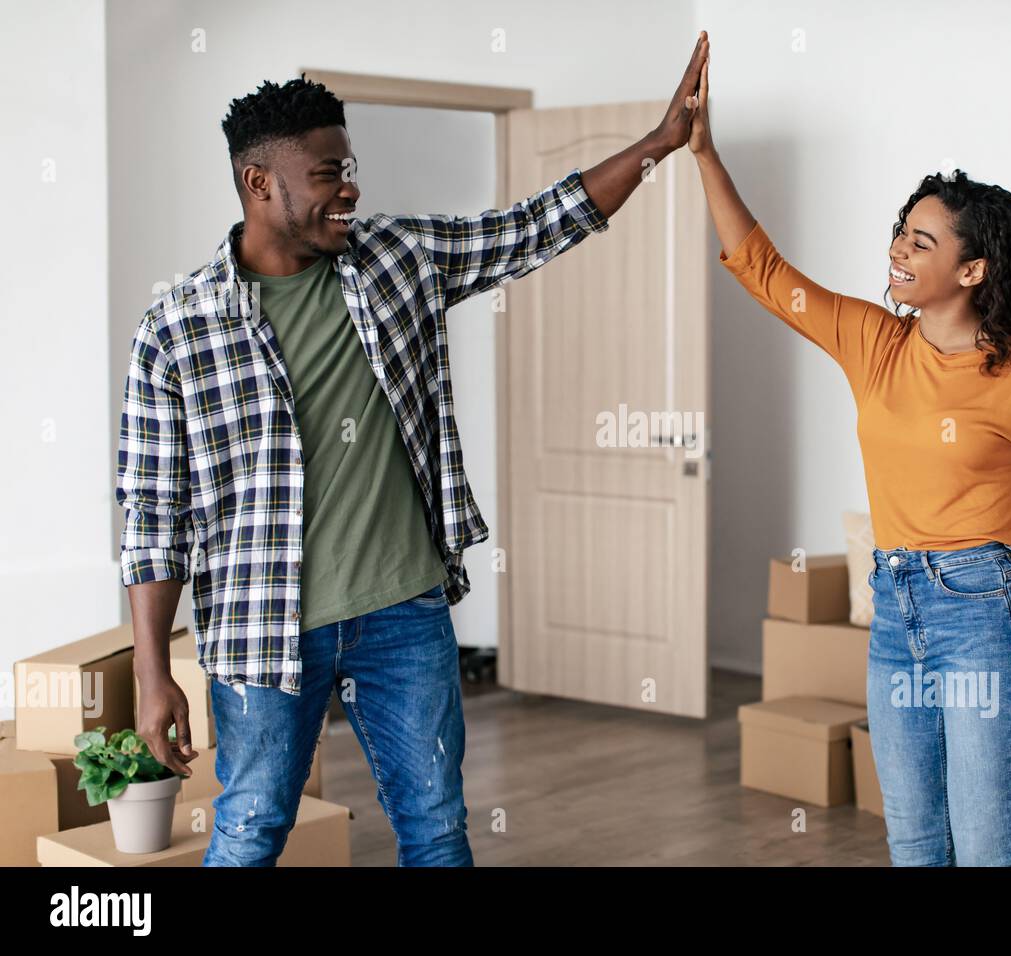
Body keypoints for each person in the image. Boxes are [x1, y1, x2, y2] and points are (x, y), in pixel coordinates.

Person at [118, 36, 710, 866]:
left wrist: (657, 144)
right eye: (328, 173)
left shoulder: (397, 258)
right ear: (261, 183)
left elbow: (533, 226)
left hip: (404, 612)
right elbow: (153, 515)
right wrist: (152, 675)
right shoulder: (176, 328)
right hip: (261, 627)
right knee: (251, 829)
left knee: (435, 828)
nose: (350, 187)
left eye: (348, 165)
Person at [685, 33, 1011, 866]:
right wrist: (703, 151)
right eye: (900, 236)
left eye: (920, 243)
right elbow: (763, 269)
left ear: (974, 269)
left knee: (987, 848)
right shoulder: (875, 342)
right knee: (912, 842)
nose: (896, 254)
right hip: (895, 608)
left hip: (987, 616)